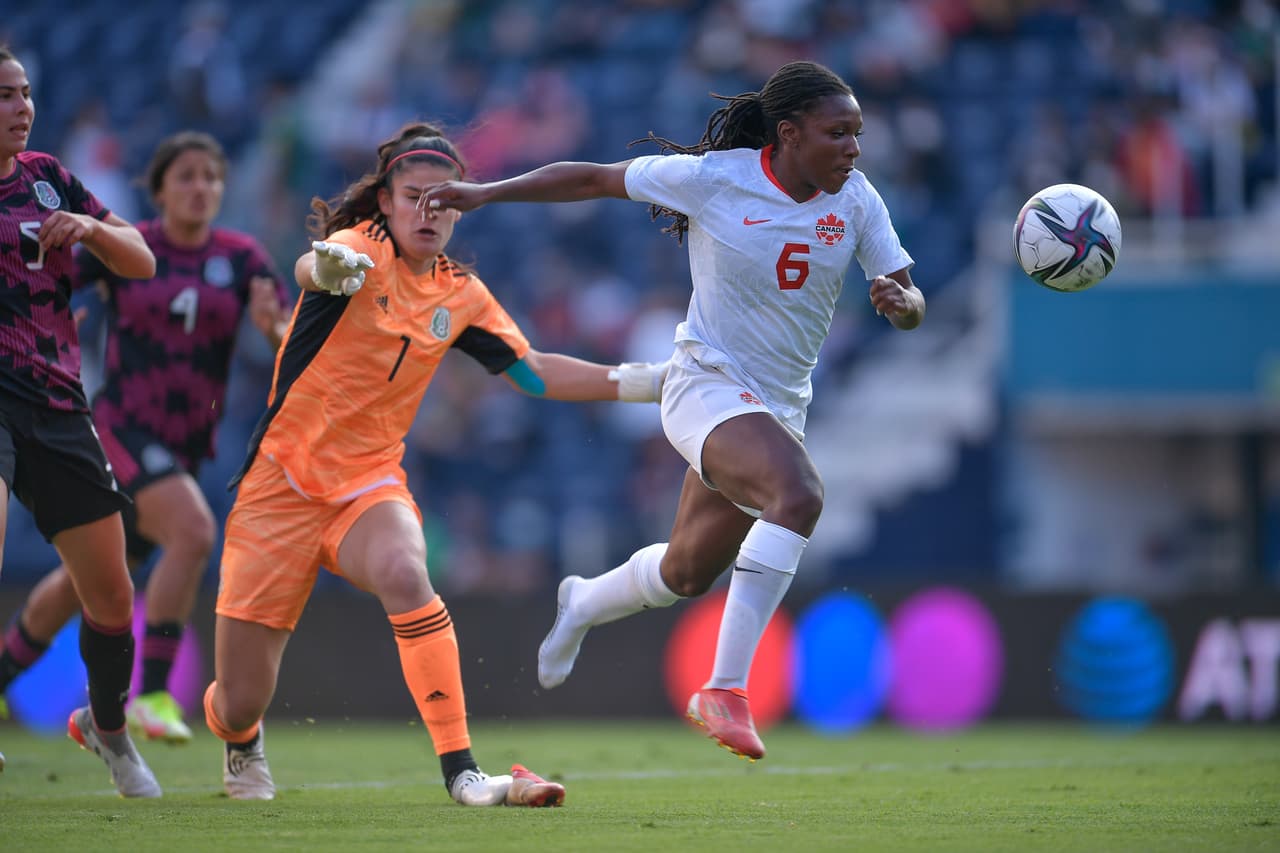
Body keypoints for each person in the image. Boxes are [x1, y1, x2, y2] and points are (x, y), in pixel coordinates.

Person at [424, 60, 926, 761]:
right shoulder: (718, 179)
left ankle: (584, 601)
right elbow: (594, 177)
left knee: (685, 574)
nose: (854, 148)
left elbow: (907, 294)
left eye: (857, 134)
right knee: (799, 494)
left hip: (777, 407)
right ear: (788, 134)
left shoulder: (859, 200)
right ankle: (724, 687)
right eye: (837, 133)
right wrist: (485, 193)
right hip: (704, 386)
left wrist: (905, 306)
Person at [204, 121, 667, 804]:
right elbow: (314, 264)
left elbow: (535, 374)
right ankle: (239, 739)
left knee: (403, 568)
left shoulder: (460, 294)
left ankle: (463, 773)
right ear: (384, 203)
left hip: (368, 484)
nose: (430, 211)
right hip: (279, 486)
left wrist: (647, 381)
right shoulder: (356, 250)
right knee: (241, 699)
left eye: (444, 199)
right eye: (414, 196)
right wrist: (320, 268)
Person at [0, 131, 291, 745]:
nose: (200, 189)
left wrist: (273, 331)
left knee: (81, 587)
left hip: (184, 442)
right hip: (119, 428)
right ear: (157, 190)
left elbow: (289, 336)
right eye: (185, 176)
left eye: (211, 177)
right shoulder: (128, 247)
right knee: (192, 530)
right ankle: (152, 695)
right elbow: (41, 285)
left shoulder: (242, 258)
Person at [0, 46, 161, 796]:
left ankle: (108, 726)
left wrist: (90, 230)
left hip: (58, 399)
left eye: (25, 92)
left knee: (111, 593)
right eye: (5, 95)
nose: (21, 106)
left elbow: (141, 261)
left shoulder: (48, 177)